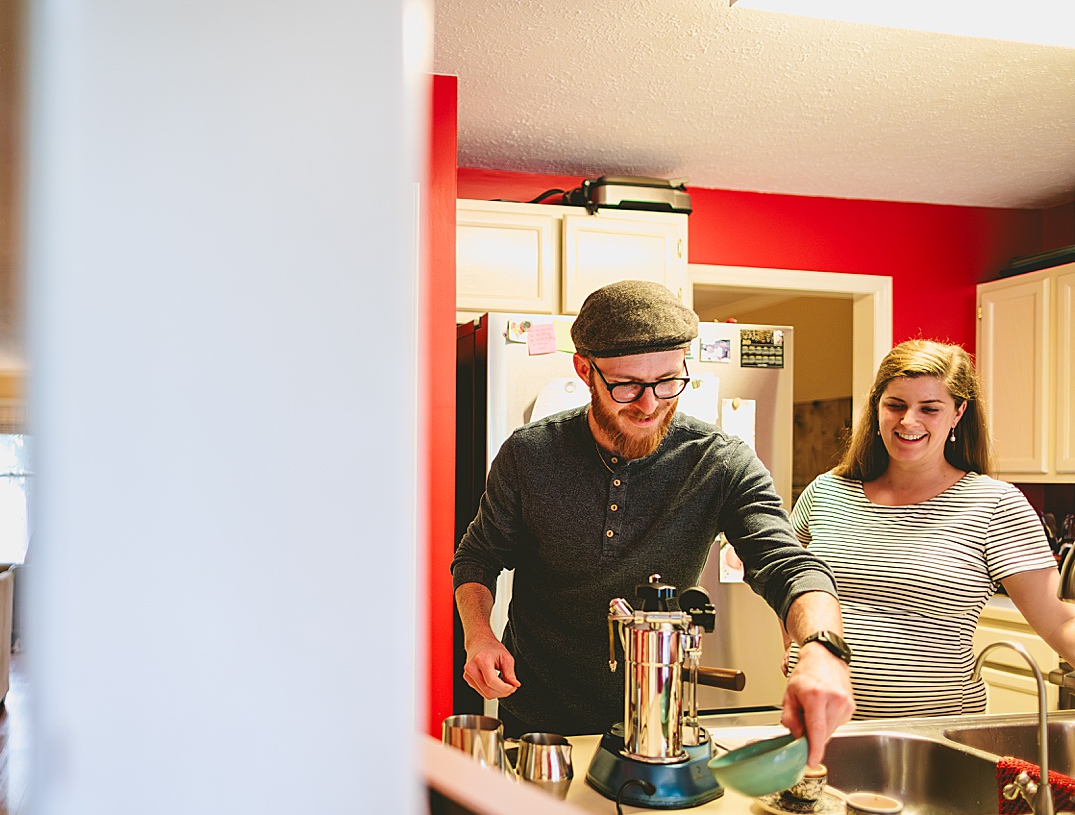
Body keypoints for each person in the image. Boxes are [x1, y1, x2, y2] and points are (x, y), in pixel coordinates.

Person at [452, 280, 855, 765]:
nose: (649, 404)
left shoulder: (720, 462)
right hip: (540, 725)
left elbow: (787, 564)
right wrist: (479, 634)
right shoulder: (530, 454)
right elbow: (477, 557)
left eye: (667, 381)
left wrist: (821, 647)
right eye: (626, 385)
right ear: (585, 370)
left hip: (660, 723)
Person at [788, 340, 1075, 718]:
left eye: (929, 408)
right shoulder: (826, 492)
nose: (909, 421)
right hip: (821, 724)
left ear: (958, 413)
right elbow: (788, 580)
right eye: (895, 405)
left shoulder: (994, 506)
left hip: (933, 738)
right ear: (876, 407)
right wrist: (795, 647)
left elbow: (1060, 620)